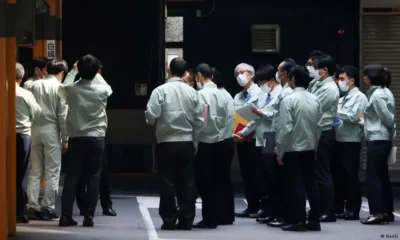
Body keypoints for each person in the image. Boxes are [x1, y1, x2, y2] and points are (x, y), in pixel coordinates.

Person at [145, 57, 204, 230]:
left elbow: (150, 118)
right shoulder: (193, 92)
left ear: (168, 70)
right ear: (185, 73)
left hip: (166, 143)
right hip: (186, 143)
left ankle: (169, 220)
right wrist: (195, 142)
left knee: (167, 182)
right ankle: (186, 219)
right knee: (187, 182)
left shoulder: (159, 91)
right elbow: (199, 121)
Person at [58, 54, 112, 227]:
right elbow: (107, 86)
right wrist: (93, 70)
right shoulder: (103, 90)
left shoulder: (71, 90)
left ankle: (65, 215)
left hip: (76, 137)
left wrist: (74, 72)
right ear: (97, 71)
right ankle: (89, 216)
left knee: (72, 175)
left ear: (79, 69)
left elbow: (61, 88)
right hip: (97, 137)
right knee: (94, 176)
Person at [235, 65, 283, 225]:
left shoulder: (281, 94)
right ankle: (267, 209)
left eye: (263, 82)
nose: (263, 86)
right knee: (265, 174)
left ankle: (272, 210)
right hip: (262, 136)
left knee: (270, 175)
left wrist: (263, 113)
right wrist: (244, 131)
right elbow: (257, 118)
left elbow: (276, 115)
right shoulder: (267, 95)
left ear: (271, 81)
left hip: (271, 136)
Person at [275, 65, 322, 232]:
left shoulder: (289, 99)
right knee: (311, 184)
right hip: (310, 147)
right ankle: (314, 220)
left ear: (293, 79)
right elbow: (319, 126)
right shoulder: (315, 99)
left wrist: (280, 151)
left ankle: (299, 221)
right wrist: (315, 146)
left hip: (293, 148)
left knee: (296, 184)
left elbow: (285, 128)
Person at [69, 61, 117, 217]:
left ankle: (102, 205)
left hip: (89, 135)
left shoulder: (76, 89)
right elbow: (107, 89)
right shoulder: (95, 89)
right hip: (93, 136)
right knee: (90, 175)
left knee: (96, 174)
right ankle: (87, 208)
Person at [27, 59, 68, 221]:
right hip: (51, 130)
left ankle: (32, 205)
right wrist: (65, 138)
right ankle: (47, 208)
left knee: (35, 171)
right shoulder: (60, 88)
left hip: (34, 129)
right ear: (61, 73)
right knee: (52, 171)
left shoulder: (33, 86)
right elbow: (63, 116)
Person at [192, 63, 231, 229]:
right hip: (221, 141)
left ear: (199, 76)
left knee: (204, 182)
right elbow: (228, 118)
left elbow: (199, 122)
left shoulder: (200, 95)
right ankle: (216, 216)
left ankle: (209, 218)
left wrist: (194, 142)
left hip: (204, 143)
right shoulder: (224, 95)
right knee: (218, 181)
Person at [360, 64, 395, 225]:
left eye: (366, 75)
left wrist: (363, 121)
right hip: (382, 139)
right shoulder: (384, 92)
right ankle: (386, 212)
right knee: (382, 176)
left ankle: (377, 213)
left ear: (372, 77)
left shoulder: (377, 95)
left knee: (373, 177)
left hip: (378, 139)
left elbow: (388, 118)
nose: (364, 78)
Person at [332, 66, 368, 220]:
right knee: (338, 175)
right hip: (339, 140)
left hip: (351, 141)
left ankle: (353, 209)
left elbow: (354, 117)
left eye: (342, 79)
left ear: (351, 81)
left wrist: (334, 112)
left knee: (351, 175)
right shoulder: (342, 98)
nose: (339, 82)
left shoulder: (360, 97)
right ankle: (338, 207)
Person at [308, 53, 339, 222]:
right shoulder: (318, 84)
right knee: (317, 173)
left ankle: (328, 210)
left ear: (324, 70)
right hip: (316, 132)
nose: (311, 70)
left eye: (314, 67)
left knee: (322, 173)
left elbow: (313, 107)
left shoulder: (329, 88)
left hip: (324, 132)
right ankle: (319, 208)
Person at [232, 63, 263, 218]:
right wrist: (236, 134)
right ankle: (251, 206)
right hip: (240, 139)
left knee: (258, 173)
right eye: (237, 73)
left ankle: (261, 206)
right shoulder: (237, 96)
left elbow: (258, 117)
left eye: (242, 72)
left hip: (255, 137)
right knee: (246, 174)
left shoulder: (260, 93)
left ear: (252, 74)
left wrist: (244, 133)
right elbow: (234, 116)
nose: (239, 76)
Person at [15, 62, 42, 223]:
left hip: (4, 135)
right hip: (23, 136)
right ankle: (19, 211)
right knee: (22, 175)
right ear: (21, 77)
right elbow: (37, 113)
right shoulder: (25, 94)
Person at [212, 67, 235, 225]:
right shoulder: (227, 95)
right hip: (228, 140)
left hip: (219, 140)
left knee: (216, 179)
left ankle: (218, 213)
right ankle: (227, 215)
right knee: (225, 179)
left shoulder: (217, 95)